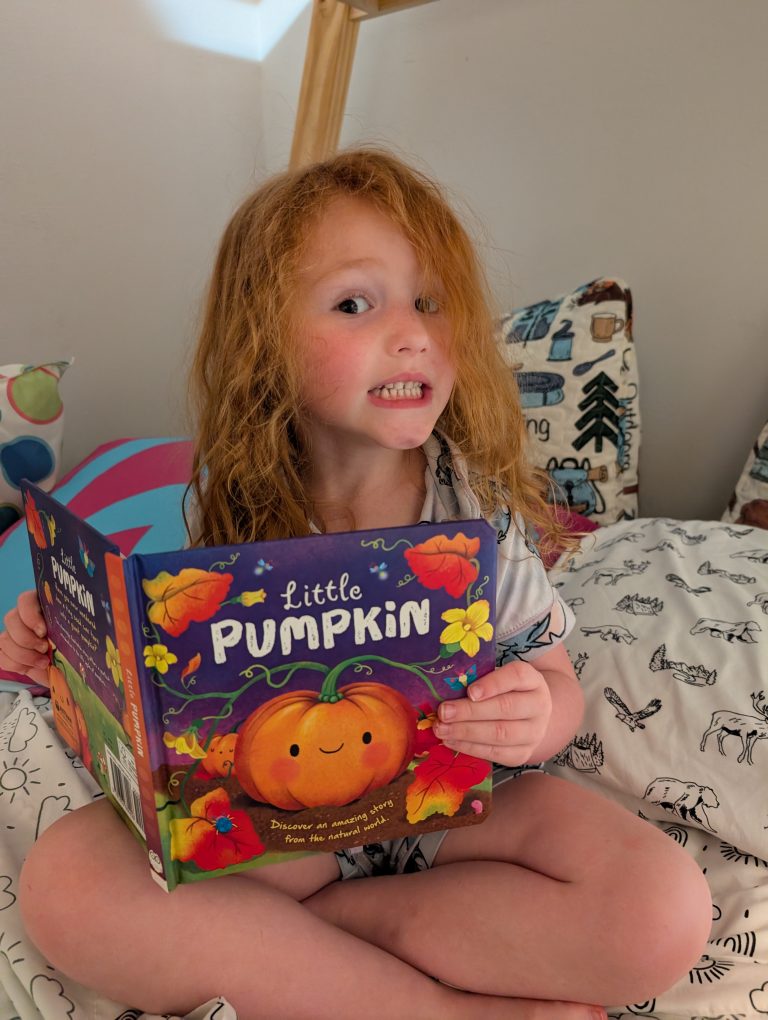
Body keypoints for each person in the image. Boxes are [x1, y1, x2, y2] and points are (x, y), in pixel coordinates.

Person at [1, 148, 711, 1020]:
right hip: (289, 822)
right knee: (67, 886)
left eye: (431, 301)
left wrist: (535, 715)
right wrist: (65, 654)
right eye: (354, 304)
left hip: (460, 809)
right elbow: (180, 698)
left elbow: (554, 679)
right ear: (264, 339)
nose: (413, 332)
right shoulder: (234, 505)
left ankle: (316, 947)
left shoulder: (475, 512)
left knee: (662, 914)